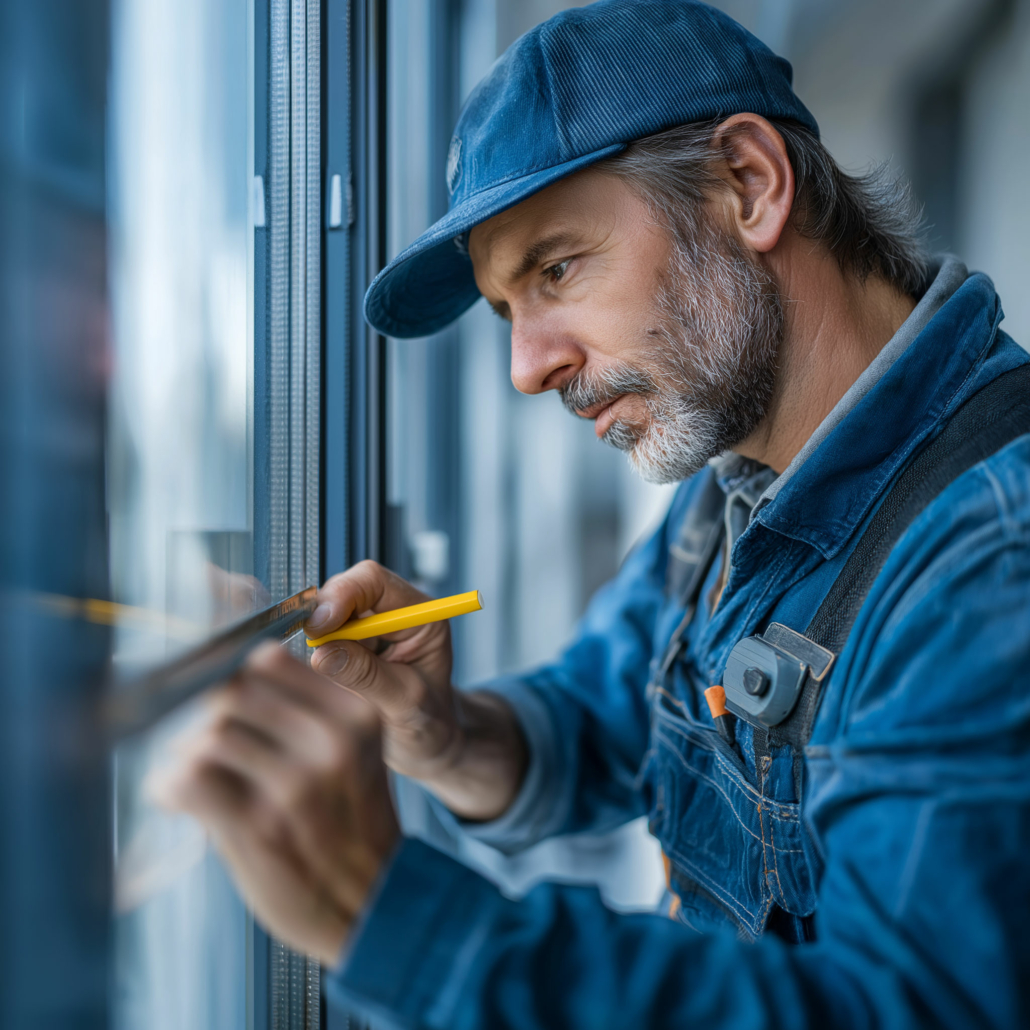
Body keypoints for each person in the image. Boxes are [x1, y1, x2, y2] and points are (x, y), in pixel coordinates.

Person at [154, 1, 1030, 1026]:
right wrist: (439, 734)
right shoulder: (738, 487)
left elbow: (906, 1010)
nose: (528, 368)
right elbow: (600, 721)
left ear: (748, 185)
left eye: (557, 268)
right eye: (507, 311)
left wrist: (388, 916)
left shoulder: (990, 556)